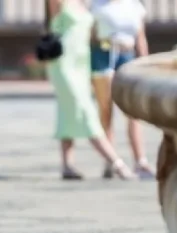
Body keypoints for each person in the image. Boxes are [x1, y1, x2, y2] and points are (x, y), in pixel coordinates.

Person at [45, 0, 135, 180]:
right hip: (63, 63)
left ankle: (67, 165)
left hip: (83, 63)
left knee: (66, 110)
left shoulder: (86, 3)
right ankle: (116, 162)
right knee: (85, 111)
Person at [90, 0, 155, 179]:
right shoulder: (96, 5)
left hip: (127, 54)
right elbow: (90, 35)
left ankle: (140, 161)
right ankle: (111, 160)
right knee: (106, 109)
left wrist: (146, 64)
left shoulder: (134, 5)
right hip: (103, 54)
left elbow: (140, 37)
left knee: (133, 112)